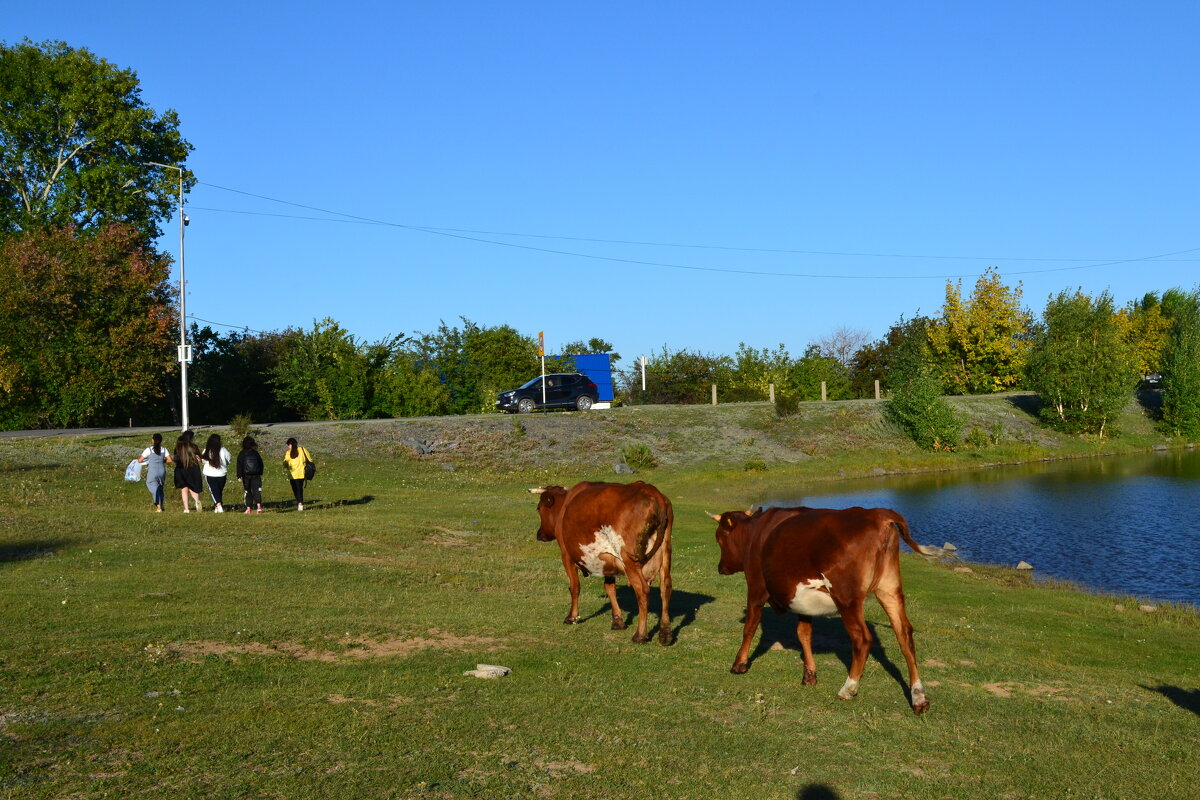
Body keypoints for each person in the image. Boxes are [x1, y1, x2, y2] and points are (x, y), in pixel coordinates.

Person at [136, 433, 173, 512]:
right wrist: (162, 461)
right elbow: (170, 460)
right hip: (162, 471)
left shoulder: (149, 450)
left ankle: (158, 506)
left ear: (153, 440)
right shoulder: (164, 449)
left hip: (153, 471)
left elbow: (140, 460)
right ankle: (162, 505)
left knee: (152, 486)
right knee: (160, 488)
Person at [201, 434, 232, 513]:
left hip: (210, 474)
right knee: (218, 491)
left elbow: (203, 461)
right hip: (222, 474)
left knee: (214, 491)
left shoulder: (207, 450)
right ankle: (217, 506)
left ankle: (219, 506)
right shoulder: (223, 450)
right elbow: (228, 459)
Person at [173, 434, 204, 512]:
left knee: (184, 489)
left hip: (181, 470)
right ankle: (197, 501)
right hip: (193, 469)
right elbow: (200, 459)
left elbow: (176, 459)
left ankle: (186, 509)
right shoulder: (194, 447)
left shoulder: (178, 448)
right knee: (193, 488)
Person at [282, 437, 313, 511]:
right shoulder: (302, 449)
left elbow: (285, 464)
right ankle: (300, 502)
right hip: (301, 473)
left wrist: (285, 464)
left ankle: (299, 502)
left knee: (295, 489)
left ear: (290, 445)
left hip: (292, 474)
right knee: (299, 489)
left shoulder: (288, 453)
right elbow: (310, 459)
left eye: (288, 445)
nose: (288, 447)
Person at [237, 436, 265, 514]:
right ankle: (259, 507)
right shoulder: (255, 453)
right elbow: (261, 464)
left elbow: (239, 465)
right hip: (256, 475)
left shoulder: (242, 453)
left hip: (246, 476)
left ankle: (248, 509)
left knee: (248, 491)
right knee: (257, 491)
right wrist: (260, 472)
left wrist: (239, 476)